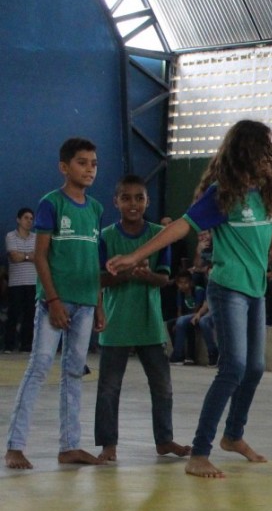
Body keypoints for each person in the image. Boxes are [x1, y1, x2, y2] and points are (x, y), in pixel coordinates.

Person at [107, 119, 272, 479]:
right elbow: (181, 226)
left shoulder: (261, 195)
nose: (270, 158)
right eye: (264, 150)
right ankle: (199, 452)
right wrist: (136, 256)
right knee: (233, 367)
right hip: (228, 288)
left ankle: (233, 435)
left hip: (254, 290)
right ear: (247, 152)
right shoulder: (222, 194)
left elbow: (266, 238)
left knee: (255, 367)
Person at [5, 137, 106, 470]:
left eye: (94, 163)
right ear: (64, 167)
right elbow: (40, 257)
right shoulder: (51, 204)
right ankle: (15, 445)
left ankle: (69, 446)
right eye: (82, 163)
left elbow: (94, 262)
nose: (89, 169)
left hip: (86, 303)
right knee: (39, 366)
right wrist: (53, 299)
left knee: (74, 372)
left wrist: (98, 304)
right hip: (55, 303)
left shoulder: (95, 209)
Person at [94, 175, 191, 461]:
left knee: (162, 386)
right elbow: (99, 279)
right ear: (116, 202)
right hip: (116, 324)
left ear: (147, 201)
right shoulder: (106, 236)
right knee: (109, 388)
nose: (133, 204)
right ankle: (108, 444)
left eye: (139, 198)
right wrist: (125, 273)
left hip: (150, 324)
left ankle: (164, 440)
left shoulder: (160, 235)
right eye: (126, 198)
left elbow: (164, 279)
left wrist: (146, 275)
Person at [5, 207, 37, 353]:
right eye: (26, 218)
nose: (29, 221)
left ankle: (26, 345)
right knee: (13, 314)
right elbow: (14, 257)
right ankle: (9, 345)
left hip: (33, 282)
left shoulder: (36, 238)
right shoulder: (10, 236)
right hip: (16, 283)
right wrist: (29, 256)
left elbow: (39, 257)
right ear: (18, 220)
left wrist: (23, 255)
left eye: (31, 219)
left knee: (30, 315)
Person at [168, 270, 216, 365]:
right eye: (180, 283)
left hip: (198, 313)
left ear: (191, 282)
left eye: (185, 282)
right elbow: (179, 310)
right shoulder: (180, 292)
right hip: (187, 315)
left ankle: (182, 356)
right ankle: (179, 352)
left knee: (186, 323)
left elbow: (197, 309)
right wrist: (177, 321)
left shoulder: (198, 290)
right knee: (171, 324)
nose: (183, 285)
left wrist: (190, 317)